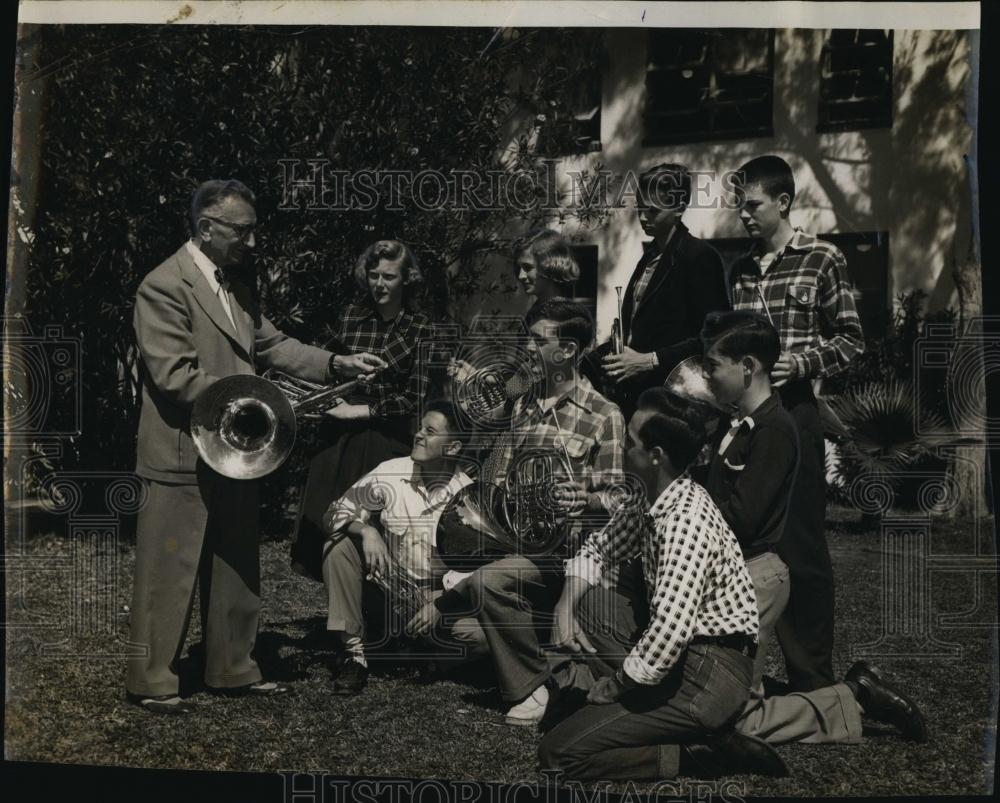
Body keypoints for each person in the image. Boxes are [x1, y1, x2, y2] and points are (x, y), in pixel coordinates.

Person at [127, 179, 371, 714]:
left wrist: (335, 363)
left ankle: (233, 668)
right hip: (180, 454)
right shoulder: (162, 285)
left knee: (237, 566)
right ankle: (153, 680)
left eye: (253, 230)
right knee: (167, 574)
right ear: (206, 226)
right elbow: (173, 377)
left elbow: (273, 344)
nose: (252, 242)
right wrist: (259, 398)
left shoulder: (236, 284)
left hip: (234, 452)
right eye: (243, 231)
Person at [537, 402, 786, 780]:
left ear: (655, 456)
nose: (621, 447)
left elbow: (669, 632)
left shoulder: (685, 521)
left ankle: (697, 754)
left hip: (709, 674)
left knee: (557, 753)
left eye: (631, 442)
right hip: (685, 660)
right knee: (592, 602)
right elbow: (598, 549)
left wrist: (615, 687)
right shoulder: (650, 496)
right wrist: (564, 607)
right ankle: (648, 713)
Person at [434, 299, 625, 726]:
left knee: (486, 585)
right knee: (453, 623)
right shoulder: (524, 405)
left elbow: (618, 498)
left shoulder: (604, 415)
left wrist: (586, 499)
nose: (527, 346)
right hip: (526, 546)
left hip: (572, 555)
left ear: (568, 351)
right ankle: (546, 671)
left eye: (538, 340)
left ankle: (533, 687)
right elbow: (500, 478)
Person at [729, 155, 864, 691]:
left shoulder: (823, 258)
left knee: (802, 543)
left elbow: (853, 338)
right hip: (748, 420)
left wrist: (803, 362)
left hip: (798, 413)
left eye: (753, 205)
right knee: (749, 537)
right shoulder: (738, 270)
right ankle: (745, 670)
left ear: (783, 203)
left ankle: (812, 678)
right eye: (739, 205)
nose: (743, 215)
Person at [320, 400, 489, 695]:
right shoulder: (390, 471)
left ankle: (427, 657)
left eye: (430, 431)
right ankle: (355, 656)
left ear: (452, 448)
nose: (418, 435)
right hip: (388, 585)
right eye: (420, 428)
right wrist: (366, 529)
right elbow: (334, 513)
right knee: (340, 545)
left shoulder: (468, 499)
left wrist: (441, 600)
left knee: (481, 638)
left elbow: (479, 569)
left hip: (435, 596)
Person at [291, 240, 435, 583]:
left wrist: (362, 411)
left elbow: (415, 397)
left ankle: (375, 611)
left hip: (386, 440)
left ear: (406, 279)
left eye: (389, 276)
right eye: (373, 276)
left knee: (375, 522)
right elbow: (319, 366)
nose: (380, 285)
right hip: (338, 436)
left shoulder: (422, 328)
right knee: (329, 516)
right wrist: (333, 395)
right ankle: (341, 609)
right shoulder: (350, 317)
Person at [699, 311, 798, 694]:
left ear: (748, 366)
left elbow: (742, 516)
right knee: (722, 700)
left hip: (753, 577)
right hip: (733, 572)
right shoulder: (740, 421)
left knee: (735, 710)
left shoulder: (773, 429)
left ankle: (851, 702)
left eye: (713, 366)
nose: (706, 376)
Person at [594, 162, 730, 419]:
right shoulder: (650, 258)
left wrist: (650, 360)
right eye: (640, 208)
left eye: (653, 211)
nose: (643, 217)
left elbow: (716, 336)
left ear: (679, 208)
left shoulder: (699, 256)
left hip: (677, 401)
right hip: (640, 397)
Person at [512, 228, 580, 303]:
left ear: (550, 267)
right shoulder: (541, 310)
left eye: (527, 267)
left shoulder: (568, 313)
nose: (521, 276)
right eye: (518, 268)